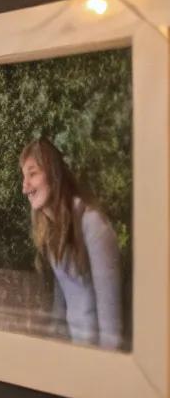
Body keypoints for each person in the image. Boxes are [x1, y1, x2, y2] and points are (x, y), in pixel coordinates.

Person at [19, 137, 123, 349]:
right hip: (74, 353)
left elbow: (111, 330)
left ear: (54, 175)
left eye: (33, 174)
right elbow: (60, 310)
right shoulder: (51, 231)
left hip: (96, 358)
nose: (25, 187)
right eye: (24, 177)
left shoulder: (93, 224)